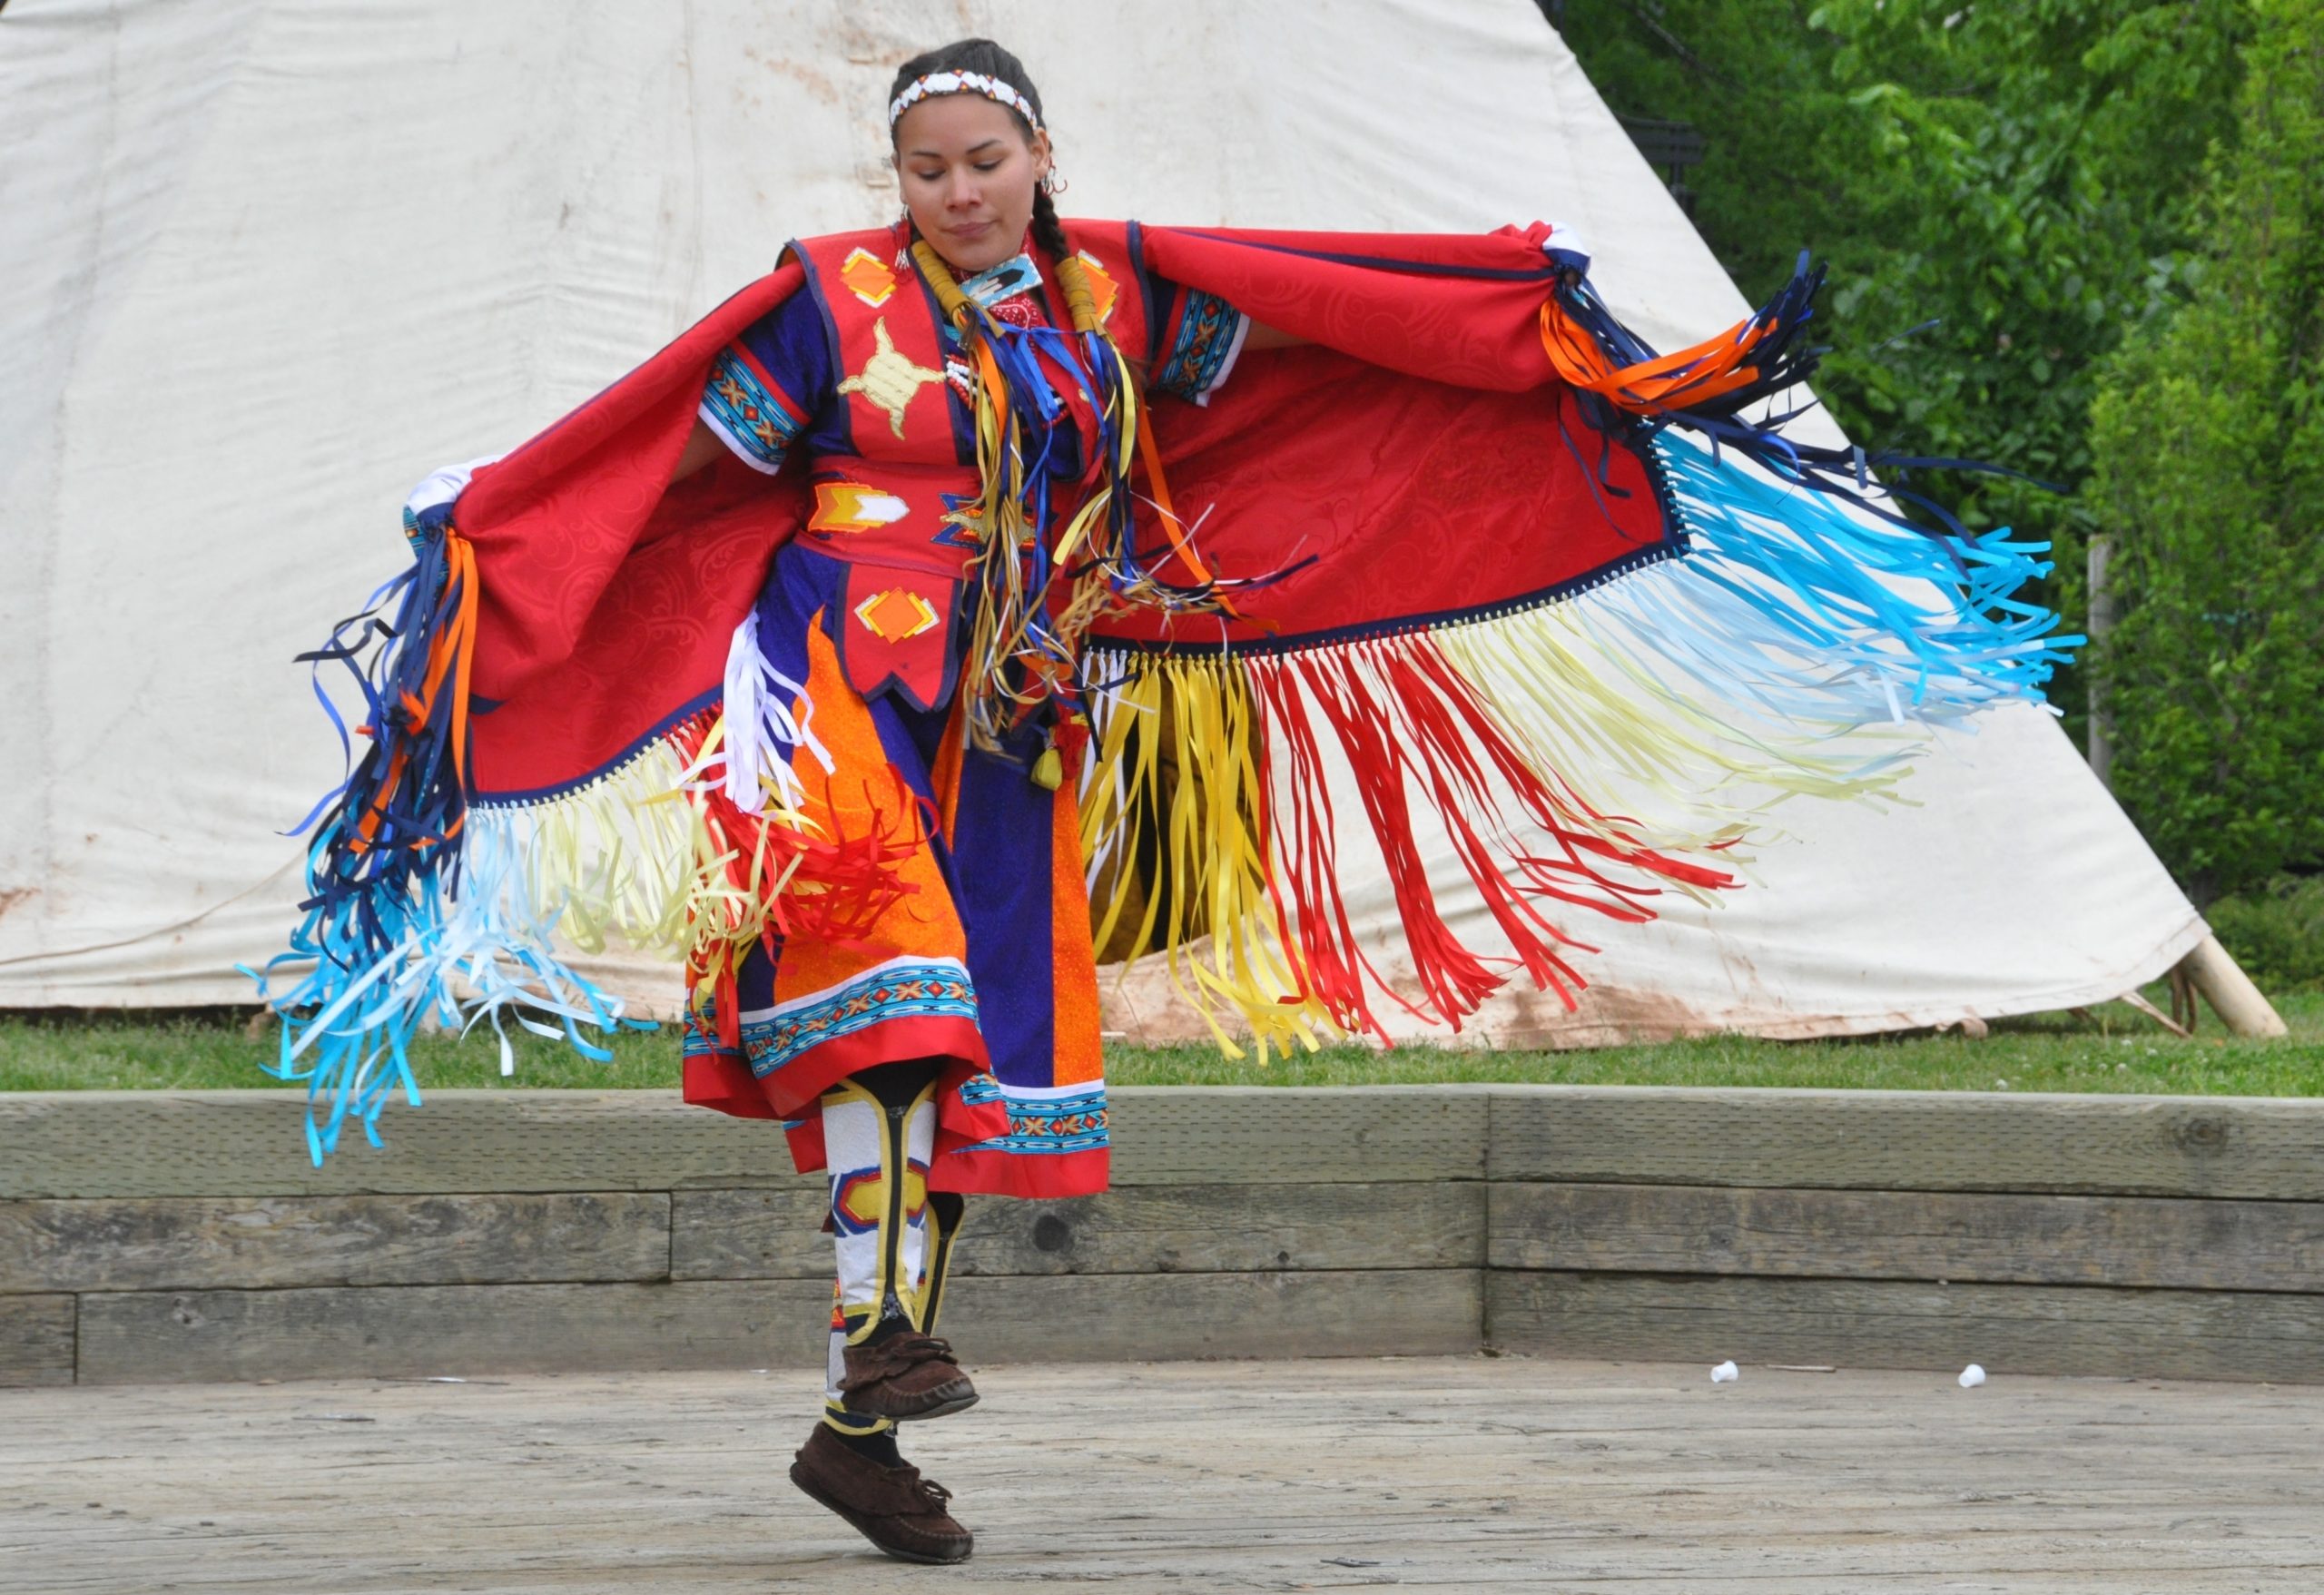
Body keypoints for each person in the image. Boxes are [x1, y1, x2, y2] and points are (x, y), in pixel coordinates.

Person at [261, 36, 2070, 1567]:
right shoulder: (829, 302)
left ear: (1039, 155)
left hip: (1020, 719)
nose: (953, 192)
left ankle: (854, 1422)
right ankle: (882, 1344)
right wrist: (505, 518)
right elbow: (668, 453)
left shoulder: (1119, 296)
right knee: (894, 1016)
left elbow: (1319, 340)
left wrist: (1503, 312)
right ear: (891, 178)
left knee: (968, 1054)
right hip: (831, 706)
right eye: (923, 169)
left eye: (981, 161)